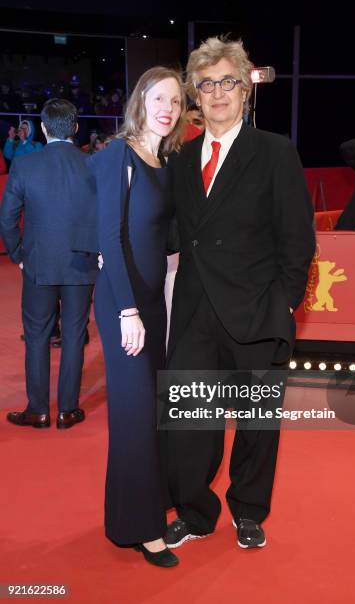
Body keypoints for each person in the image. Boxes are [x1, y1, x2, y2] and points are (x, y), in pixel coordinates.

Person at [162, 36, 315, 550]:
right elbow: (171, 232)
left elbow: (298, 240)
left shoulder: (274, 151)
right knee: (190, 424)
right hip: (194, 312)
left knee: (256, 425)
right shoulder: (181, 159)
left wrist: (283, 305)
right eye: (207, 84)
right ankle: (194, 511)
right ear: (196, 96)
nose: (219, 93)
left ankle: (248, 510)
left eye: (229, 81)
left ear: (245, 90)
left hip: (255, 310)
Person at [88, 67, 185, 568]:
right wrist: (127, 308)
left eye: (175, 100)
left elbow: (163, 238)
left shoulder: (162, 162)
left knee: (151, 410)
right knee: (134, 413)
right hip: (123, 302)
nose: (167, 107)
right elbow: (111, 237)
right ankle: (143, 529)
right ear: (140, 101)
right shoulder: (118, 156)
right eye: (158, 97)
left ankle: (135, 511)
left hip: (152, 301)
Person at [0, 98, 98, 429]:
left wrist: (18, 255)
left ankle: (38, 410)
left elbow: (7, 220)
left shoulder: (25, 167)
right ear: (74, 128)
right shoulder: (93, 165)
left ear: (42, 128)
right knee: (73, 335)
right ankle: (67, 410)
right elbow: (105, 216)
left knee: (37, 336)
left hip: (38, 265)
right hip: (82, 265)